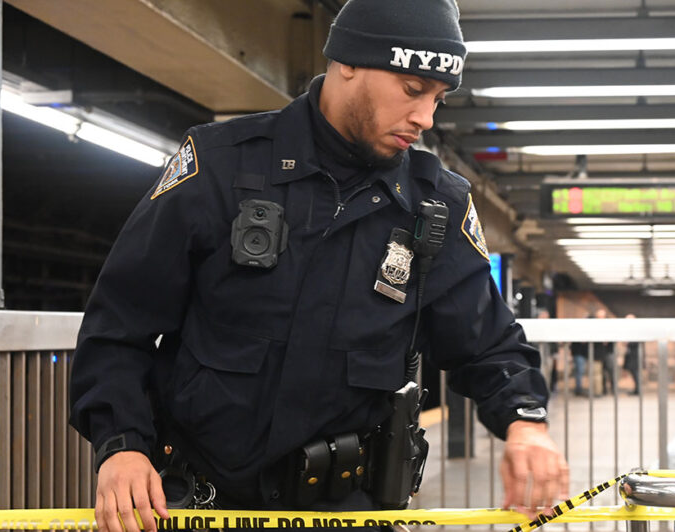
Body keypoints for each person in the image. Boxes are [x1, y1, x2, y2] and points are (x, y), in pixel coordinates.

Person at [68, 2, 569, 531]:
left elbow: (487, 344)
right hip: (203, 504)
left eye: (439, 99)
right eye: (412, 89)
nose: (426, 118)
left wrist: (525, 422)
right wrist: (121, 446)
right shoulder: (220, 166)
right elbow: (120, 327)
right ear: (349, 60)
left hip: (347, 512)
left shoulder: (435, 205)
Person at [622, 314, 641, 395]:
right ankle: (636, 389)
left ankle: (638, 390)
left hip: (635, 355)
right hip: (631, 355)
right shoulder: (630, 330)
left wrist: (627, 343)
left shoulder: (637, 330)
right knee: (633, 372)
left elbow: (636, 342)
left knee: (635, 372)